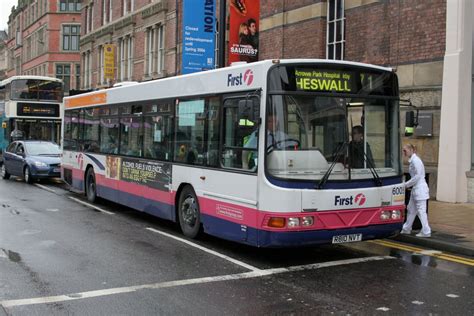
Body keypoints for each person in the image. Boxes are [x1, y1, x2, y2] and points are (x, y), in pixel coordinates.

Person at [401, 143, 431, 237]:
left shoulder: (416, 161)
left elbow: (418, 176)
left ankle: (426, 231)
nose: (404, 152)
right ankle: (406, 228)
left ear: (410, 150)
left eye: (405, 150)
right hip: (416, 189)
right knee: (411, 209)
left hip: (420, 189)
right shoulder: (413, 160)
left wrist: (406, 184)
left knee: (421, 211)